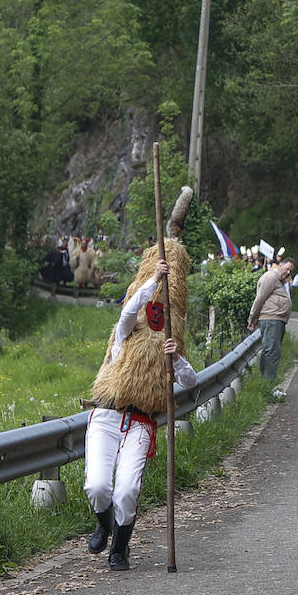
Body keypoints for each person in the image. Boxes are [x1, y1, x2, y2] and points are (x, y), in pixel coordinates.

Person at [84, 212, 197, 572]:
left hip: (140, 422)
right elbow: (129, 309)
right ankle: (103, 526)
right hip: (106, 415)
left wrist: (176, 358)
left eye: (157, 314)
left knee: (127, 490)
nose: (152, 317)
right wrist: (154, 280)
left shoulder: (169, 346)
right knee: (98, 487)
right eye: (150, 312)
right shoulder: (122, 338)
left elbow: (192, 381)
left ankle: (120, 548)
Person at [248, 257, 295, 394]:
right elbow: (260, 298)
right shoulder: (271, 276)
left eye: (290, 271)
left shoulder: (280, 280)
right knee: (272, 351)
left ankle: (266, 383)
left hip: (276, 319)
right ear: (280, 265)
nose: (288, 273)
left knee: (271, 350)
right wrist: (252, 317)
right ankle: (269, 384)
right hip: (271, 319)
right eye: (287, 269)